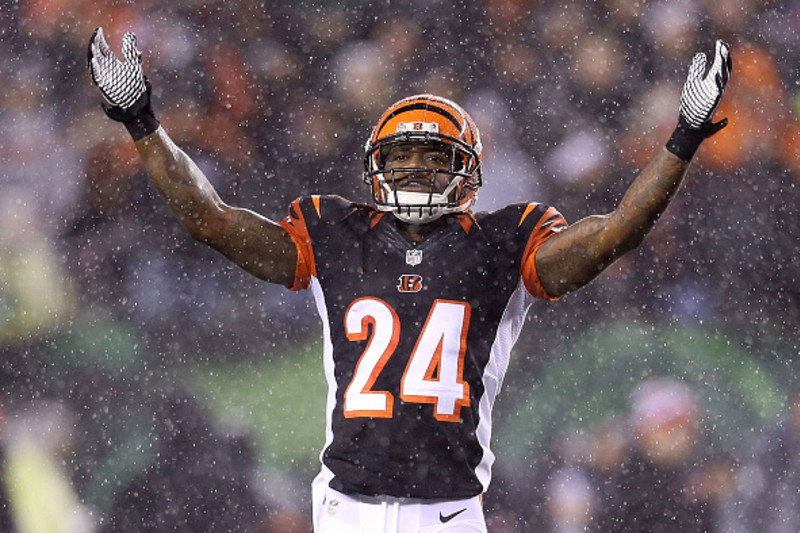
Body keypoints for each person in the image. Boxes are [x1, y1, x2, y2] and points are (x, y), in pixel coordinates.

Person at [87, 26, 732, 533]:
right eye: (403, 157)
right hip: (347, 509)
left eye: (435, 157)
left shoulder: (502, 244)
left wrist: (683, 137)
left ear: (468, 170)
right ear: (375, 168)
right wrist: (142, 123)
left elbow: (618, 230)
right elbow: (214, 220)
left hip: (449, 511)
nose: (419, 169)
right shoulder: (335, 236)